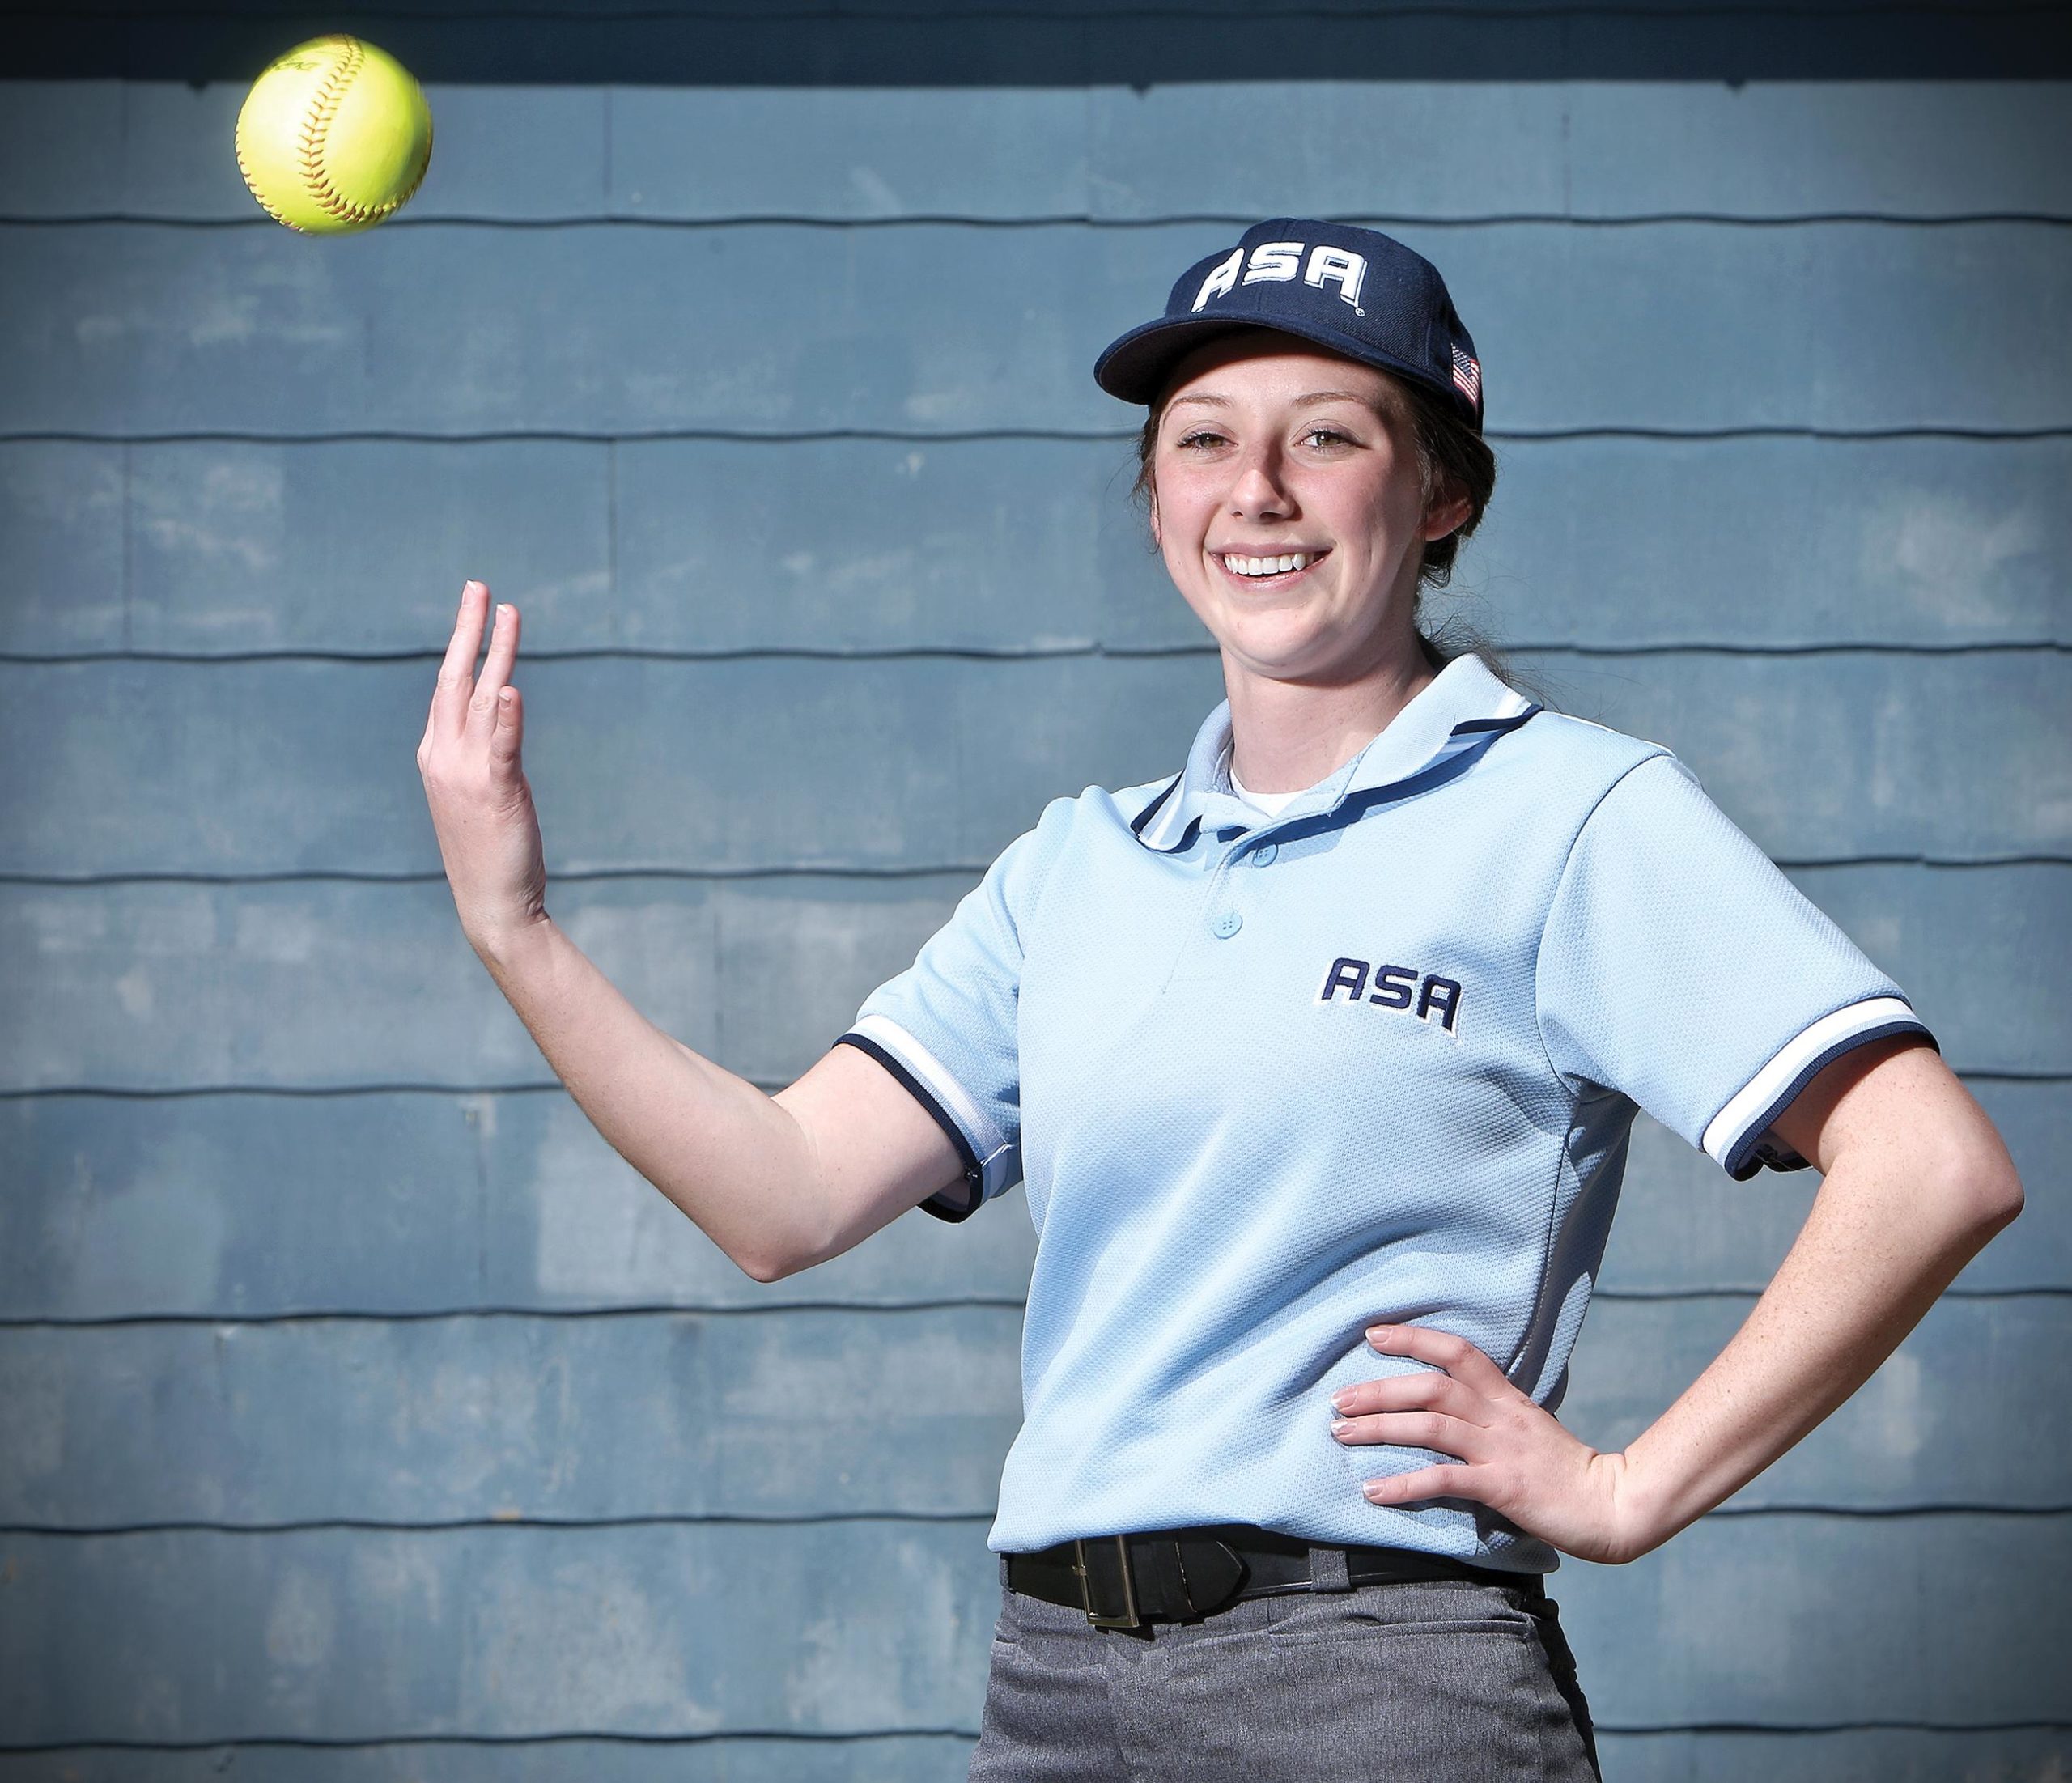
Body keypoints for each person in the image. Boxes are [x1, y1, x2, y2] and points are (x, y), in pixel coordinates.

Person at [417, 219, 2025, 1781]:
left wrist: (1623, 1488)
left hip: (1376, 1680)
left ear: (1442, 489)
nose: (1253, 492)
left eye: (1323, 436)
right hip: (1053, 1685)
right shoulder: (1075, 868)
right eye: (1201, 440)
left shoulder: (1568, 813)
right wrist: (518, 932)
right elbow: (778, 1194)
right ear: (1153, 495)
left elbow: (1928, 1162)